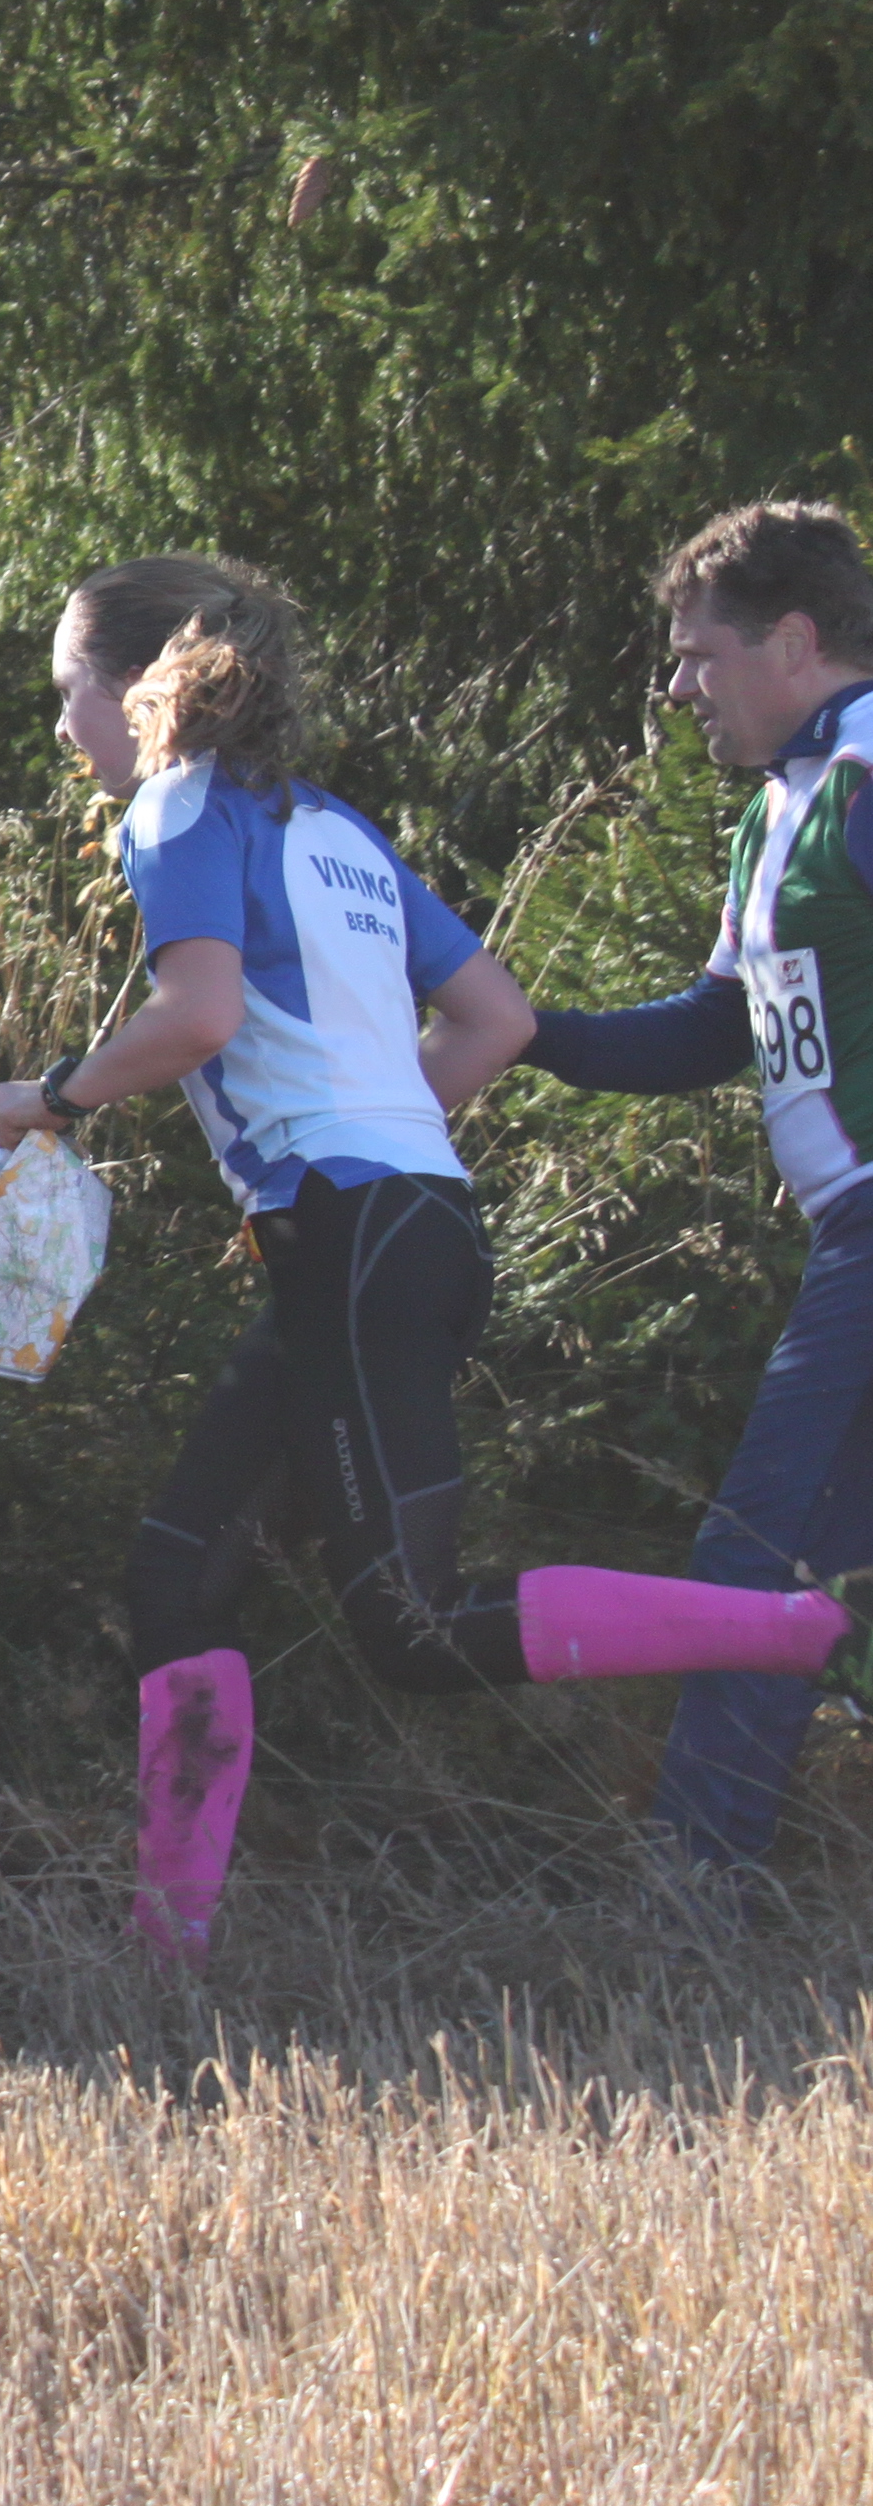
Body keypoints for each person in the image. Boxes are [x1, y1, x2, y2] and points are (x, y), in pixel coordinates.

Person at [0, 551, 866, 1964]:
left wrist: (56, 1097)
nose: (59, 727)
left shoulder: (174, 811)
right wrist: (378, 1135)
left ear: (138, 688)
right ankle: (166, 1949)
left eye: (65, 693)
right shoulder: (331, 825)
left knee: (409, 1621)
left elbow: (201, 1013)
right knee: (176, 1575)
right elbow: (500, 1022)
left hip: (360, 1233)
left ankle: (794, 1640)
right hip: (394, 1224)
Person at [482, 502, 873, 1883]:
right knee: (796, 1571)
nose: (679, 689)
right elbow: (713, 1032)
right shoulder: (777, 814)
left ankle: (690, 1899)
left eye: (698, 655)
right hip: (849, 1234)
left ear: (792, 639)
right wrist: (518, 1029)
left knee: (758, 1559)